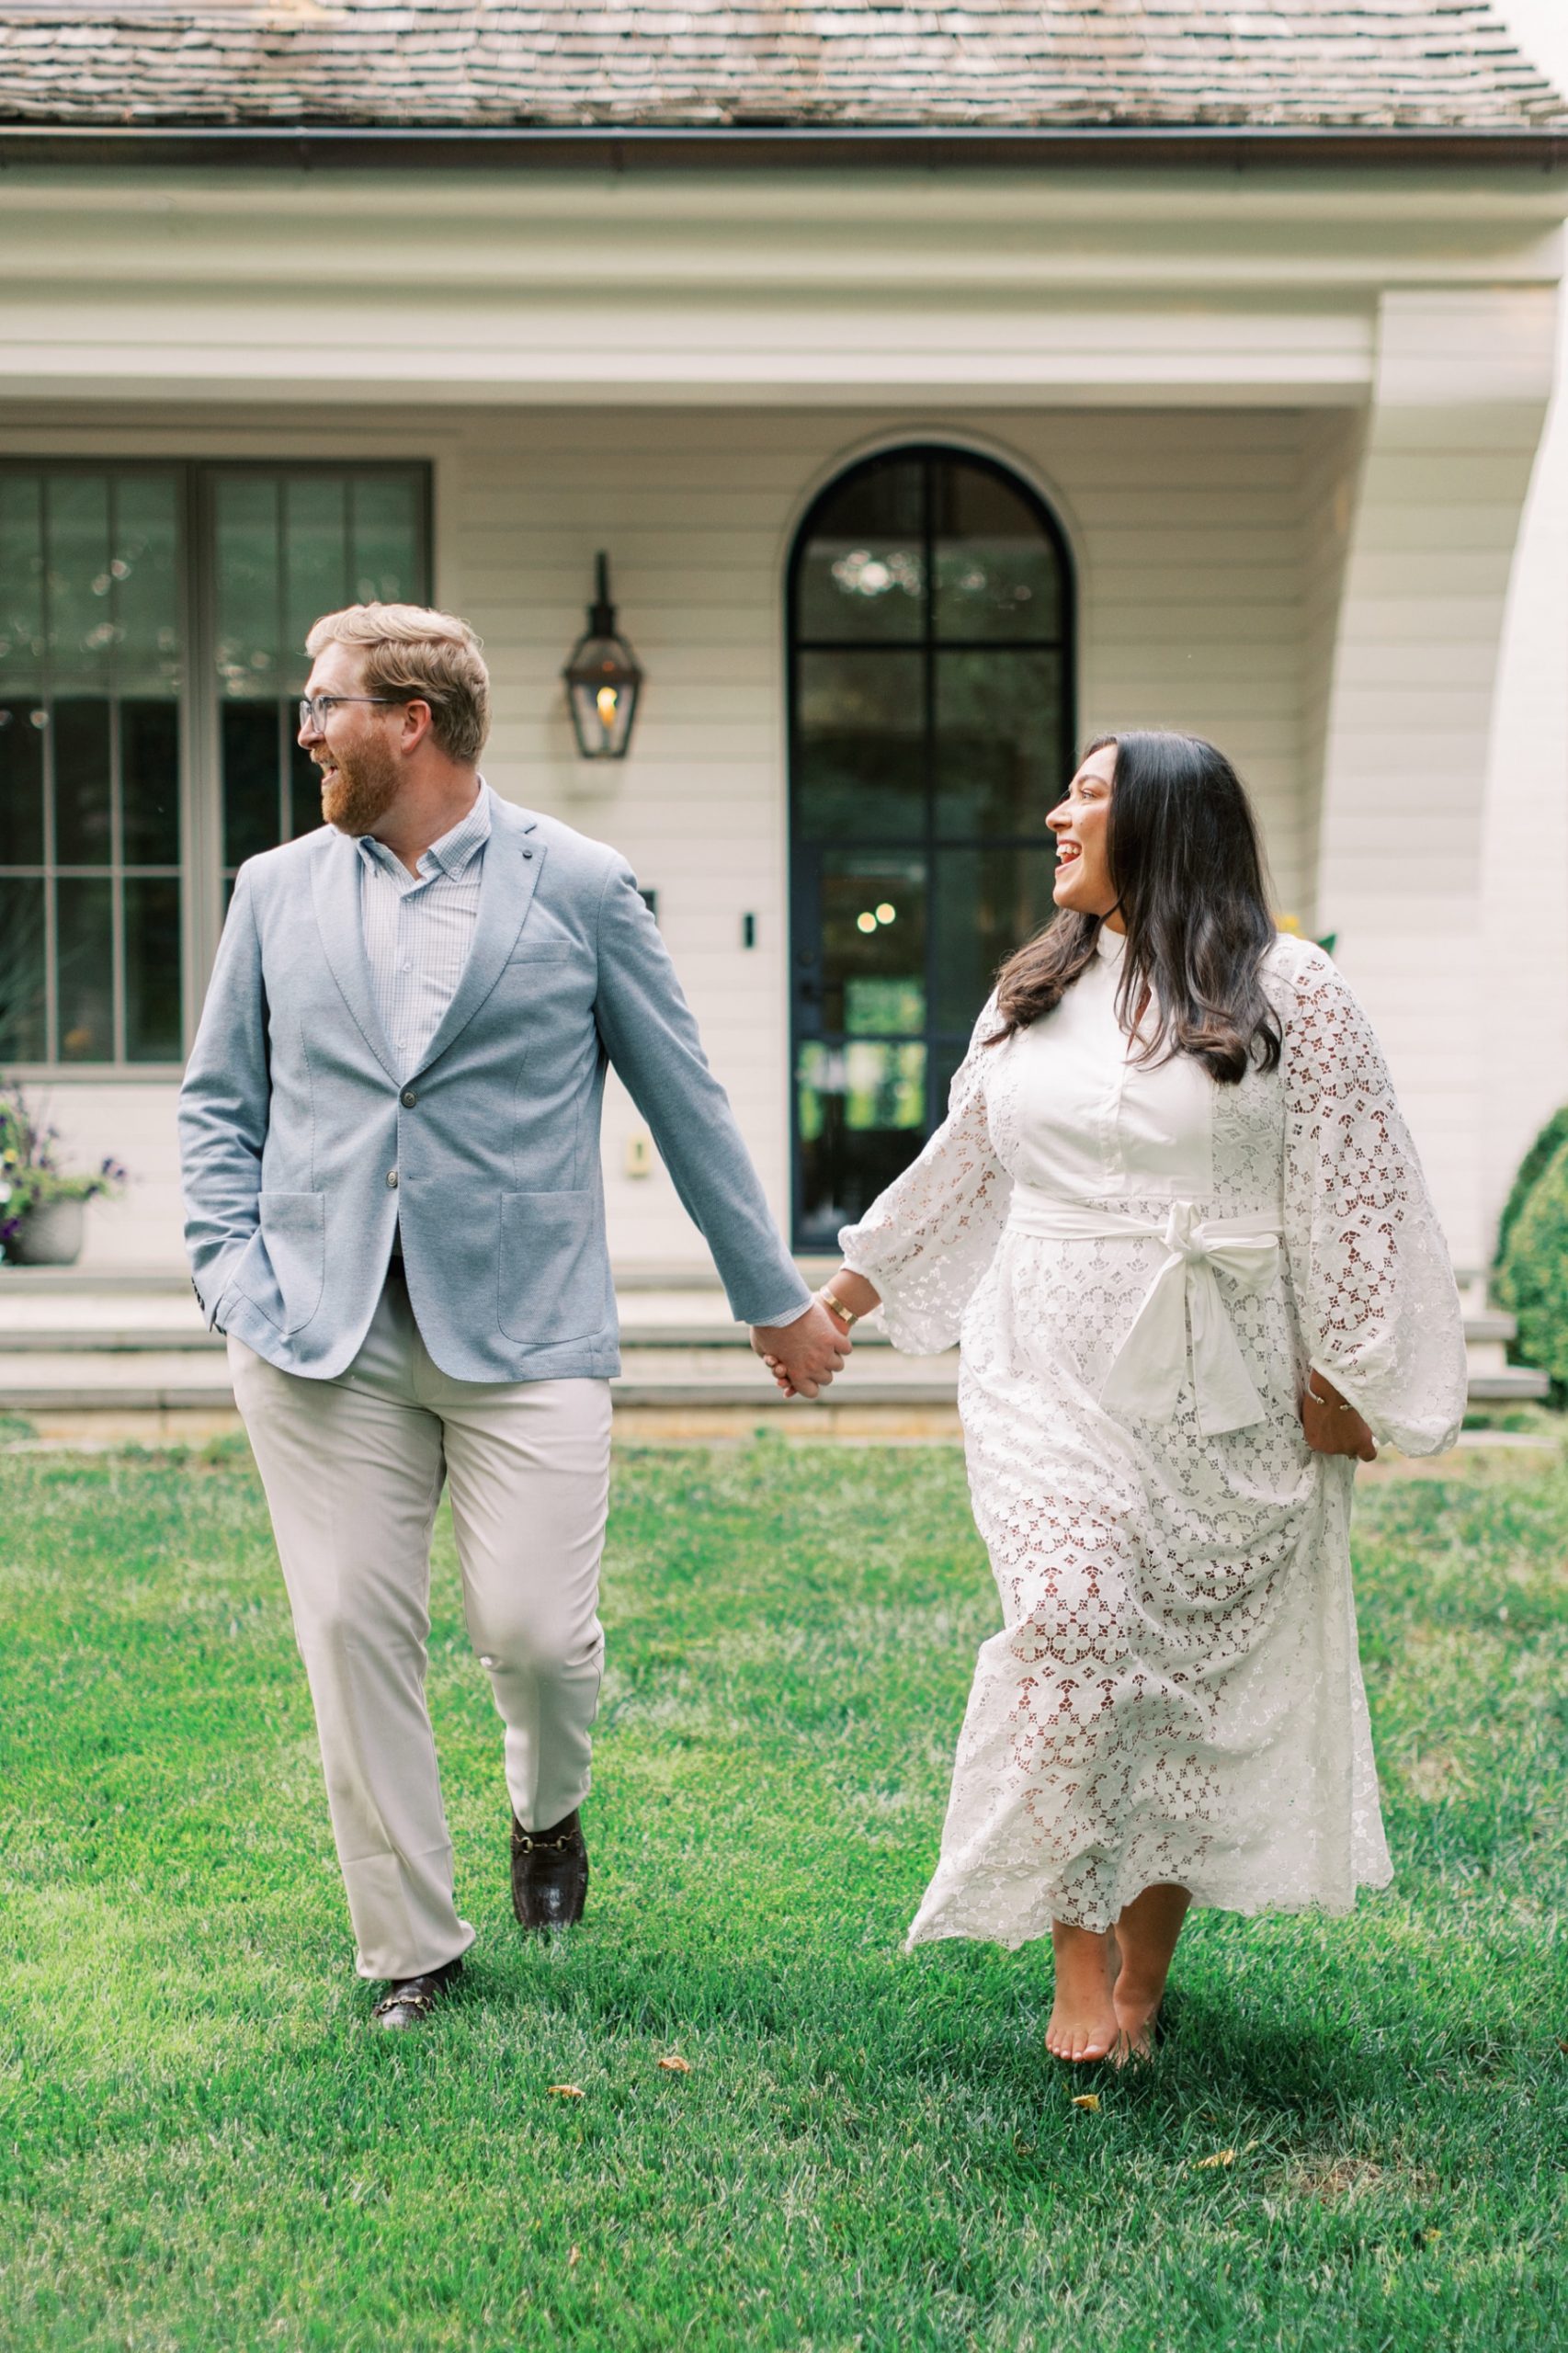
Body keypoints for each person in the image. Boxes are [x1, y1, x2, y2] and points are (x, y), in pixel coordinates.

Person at [179, 603, 850, 2029]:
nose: (303, 730)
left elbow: (686, 1099)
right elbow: (219, 1105)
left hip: (526, 1326)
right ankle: (411, 1945)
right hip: (317, 1328)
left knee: (536, 1636)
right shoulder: (273, 890)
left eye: (323, 705)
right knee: (353, 1629)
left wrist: (771, 1300)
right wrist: (230, 1274)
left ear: (408, 721)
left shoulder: (584, 886)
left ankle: (547, 1808)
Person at [780, 731, 1467, 2064]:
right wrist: (838, 1305)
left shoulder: (1292, 991)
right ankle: (1074, 1961)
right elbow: (959, 1170)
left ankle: (1142, 1987)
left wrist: (1354, 1378)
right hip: (1045, 1357)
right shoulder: (1031, 991)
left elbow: (1363, 1189)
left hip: (1229, 1387)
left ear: (1164, 821)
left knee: (1185, 1682)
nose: (1054, 814)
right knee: (1072, 1616)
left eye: (1087, 794)